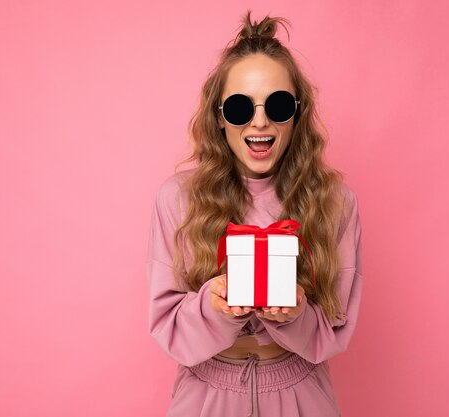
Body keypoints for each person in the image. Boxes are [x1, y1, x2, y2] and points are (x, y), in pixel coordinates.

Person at [146, 10, 363, 417]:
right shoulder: (178, 199)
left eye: (278, 104)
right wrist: (214, 304)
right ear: (220, 117)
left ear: (297, 115)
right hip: (206, 394)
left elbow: (336, 326)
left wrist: (296, 313)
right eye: (240, 107)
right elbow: (166, 324)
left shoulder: (335, 202)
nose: (259, 120)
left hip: (301, 392)